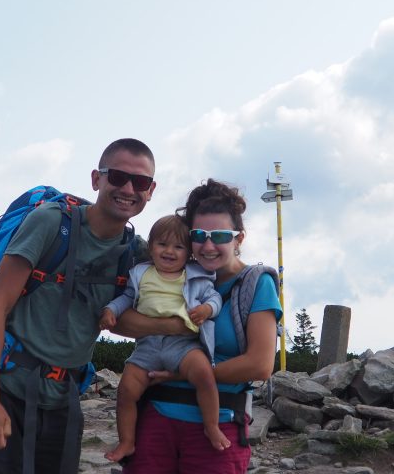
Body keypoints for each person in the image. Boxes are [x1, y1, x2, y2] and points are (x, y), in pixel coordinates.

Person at [0, 138, 156, 474]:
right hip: (7, 391)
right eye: (118, 177)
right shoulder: (53, 222)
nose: (128, 188)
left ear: (151, 190)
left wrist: (182, 325)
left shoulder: (134, 253)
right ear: (97, 179)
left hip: (64, 400)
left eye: (140, 182)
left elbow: (121, 320)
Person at [111, 179, 283, 474]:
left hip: (219, 422)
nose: (208, 245)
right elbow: (121, 322)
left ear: (239, 239)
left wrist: (183, 374)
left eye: (219, 236)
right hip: (154, 417)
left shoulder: (257, 283)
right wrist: (175, 327)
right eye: (199, 235)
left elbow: (260, 365)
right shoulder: (167, 273)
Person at [99, 215, 228, 462]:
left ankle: (211, 426)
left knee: (204, 375)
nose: (169, 251)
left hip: (184, 345)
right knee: (126, 390)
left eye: (178, 247)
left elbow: (215, 299)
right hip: (147, 345)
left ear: (189, 253)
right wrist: (110, 311)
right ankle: (127, 441)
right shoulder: (140, 273)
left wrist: (206, 310)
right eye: (162, 244)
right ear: (151, 246)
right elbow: (126, 298)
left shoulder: (196, 276)